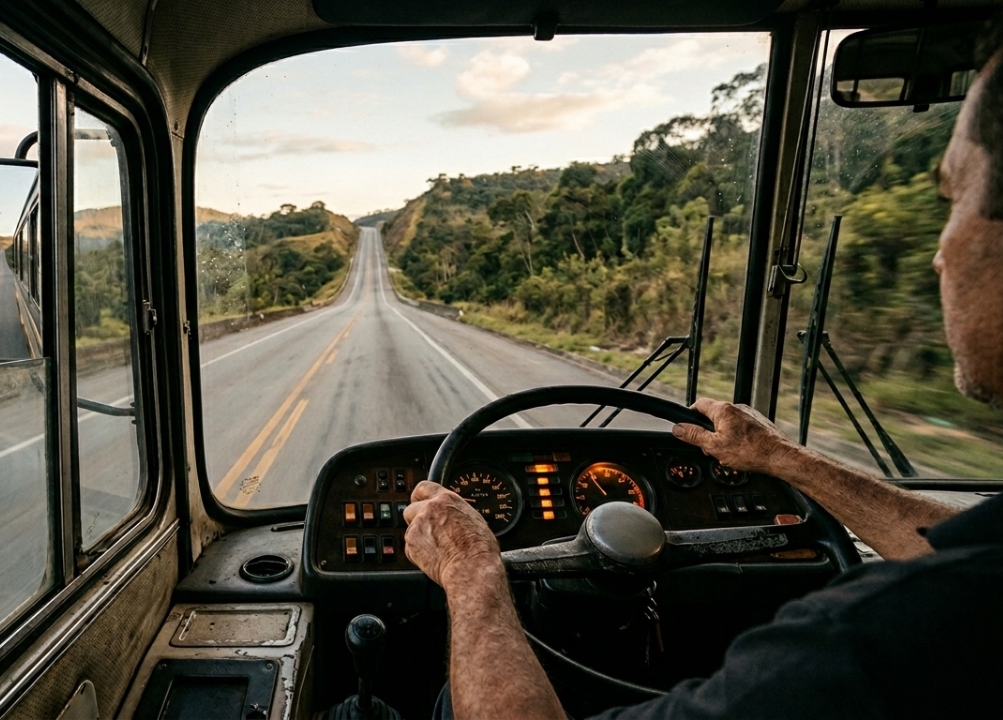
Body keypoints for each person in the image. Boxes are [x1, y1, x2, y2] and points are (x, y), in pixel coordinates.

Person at [403, 19, 1003, 720]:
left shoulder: (866, 644)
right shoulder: (968, 593)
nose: (939, 250)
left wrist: (473, 574)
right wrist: (782, 461)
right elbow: (943, 553)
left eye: (951, 197)